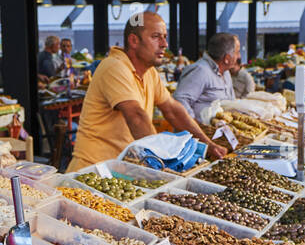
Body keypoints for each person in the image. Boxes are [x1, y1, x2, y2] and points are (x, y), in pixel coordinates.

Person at [70, 11, 226, 171]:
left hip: (120, 170)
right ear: (134, 40)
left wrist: (208, 144)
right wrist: (161, 162)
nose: (164, 44)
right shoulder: (114, 66)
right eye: (156, 36)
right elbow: (136, 116)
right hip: (93, 170)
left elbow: (173, 111)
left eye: (165, 36)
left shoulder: (149, 73)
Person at [172, 32, 239, 123]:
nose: (239, 56)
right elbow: (180, 100)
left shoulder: (226, 73)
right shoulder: (200, 71)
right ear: (226, 58)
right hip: (200, 134)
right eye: (237, 52)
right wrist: (195, 126)